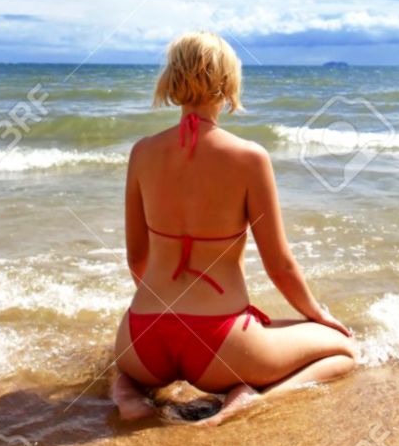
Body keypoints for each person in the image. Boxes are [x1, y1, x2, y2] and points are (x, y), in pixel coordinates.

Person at [112, 31, 356, 425]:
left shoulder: (142, 152)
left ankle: (126, 392)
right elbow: (281, 266)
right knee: (343, 351)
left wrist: (168, 319)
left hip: (143, 337)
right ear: (227, 84)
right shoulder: (249, 157)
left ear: (171, 80)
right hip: (220, 345)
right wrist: (319, 315)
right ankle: (251, 397)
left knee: (126, 368)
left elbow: (136, 258)